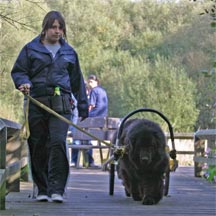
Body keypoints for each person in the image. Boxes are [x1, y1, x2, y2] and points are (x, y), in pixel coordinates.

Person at [11, 11, 88, 203]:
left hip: (61, 105)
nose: (57, 31)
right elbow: (19, 71)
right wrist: (24, 82)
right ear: (45, 28)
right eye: (53, 27)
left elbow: (77, 80)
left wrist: (83, 105)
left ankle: (57, 190)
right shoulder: (30, 49)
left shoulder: (69, 52)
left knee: (58, 143)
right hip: (36, 103)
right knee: (38, 146)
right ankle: (43, 189)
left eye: (60, 27)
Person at [87, 74, 108, 166]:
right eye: (89, 82)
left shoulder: (94, 91)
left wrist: (85, 114)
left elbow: (91, 106)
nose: (90, 84)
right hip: (102, 119)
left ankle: (89, 161)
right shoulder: (103, 91)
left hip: (93, 118)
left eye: (91, 82)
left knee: (84, 138)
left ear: (96, 82)